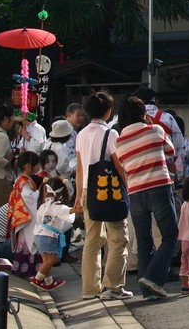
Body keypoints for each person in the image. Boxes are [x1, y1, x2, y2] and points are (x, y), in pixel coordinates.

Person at [114, 96, 179, 300]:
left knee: (144, 242)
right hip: (158, 187)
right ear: (143, 113)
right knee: (170, 235)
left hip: (135, 192)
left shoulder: (119, 141)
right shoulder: (155, 130)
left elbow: (125, 164)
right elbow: (171, 151)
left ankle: (147, 289)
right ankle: (152, 277)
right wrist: (150, 124)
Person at [73, 91, 132, 301]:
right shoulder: (111, 134)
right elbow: (119, 165)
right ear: (108, 111)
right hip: (109, 190)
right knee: (118, 238)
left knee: (92, 239)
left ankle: (90, 289)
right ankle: (113, 286)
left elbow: (79, 169)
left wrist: (78, 197)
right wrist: (129, 188)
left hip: (88, 191)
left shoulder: (81, 134)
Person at [31, 177, 76, 291]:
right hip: (48, 236)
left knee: (46, 261)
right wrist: (76, 209)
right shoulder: (56, 206)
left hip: (39, 234)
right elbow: (65, 211)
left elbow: (38, 220)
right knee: (52, 260)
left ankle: (49, 282)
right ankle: (37, 279)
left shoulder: (43, 205)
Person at [134, 88, 185, 179]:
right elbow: (179, 145)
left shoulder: (133, 120)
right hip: (165, 171)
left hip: (140, 172)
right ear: (156, 101)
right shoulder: (168, 118)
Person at [7, 151, 43, 277]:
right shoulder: (24, 181)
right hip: (27, 217)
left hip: (23, 216)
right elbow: (28, 196)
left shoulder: (21, 180)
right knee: (29, 242)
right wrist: (39, 192)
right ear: (29, 166)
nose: (39, 167)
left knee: (25, 242)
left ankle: (24, 270)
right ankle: (29, 271)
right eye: (37, 164)